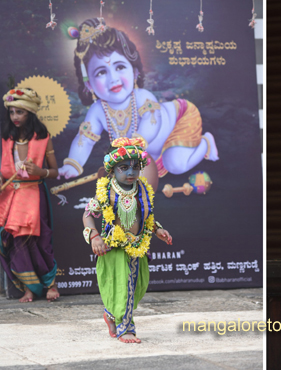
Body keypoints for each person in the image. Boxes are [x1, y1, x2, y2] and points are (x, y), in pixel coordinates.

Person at [59, 18, 218, 180]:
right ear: (89, 85)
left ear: (134, 71)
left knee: (175, 165)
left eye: (120, 67)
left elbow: (152, 122)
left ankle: (206, 143)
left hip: (180, 119)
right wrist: (72, 164)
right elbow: (84, 140)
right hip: (148, 150)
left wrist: (134, 145)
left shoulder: (141, 96)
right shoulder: (97, 111)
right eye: (101, 72)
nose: (113, 79)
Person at [83, 137, 172, 343]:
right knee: (123, 287)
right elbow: (87, 214)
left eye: (136, 167)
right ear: (112, 169)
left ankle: (111, 315)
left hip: (137, 246)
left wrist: (158, 230)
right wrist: (94, 236)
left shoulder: (142, 189)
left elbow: (145, 217)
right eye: (124, 167)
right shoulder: (106, 191)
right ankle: (127, 328)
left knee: (137, 286)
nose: (131, 173)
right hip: (112, 248)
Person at [0, 87, 60, 303]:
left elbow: (55, 171)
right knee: (15, 242)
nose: (15, 117)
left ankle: (50, 284)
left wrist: (40, 172)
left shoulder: (43, 138)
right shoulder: (7, 138)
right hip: (10, 197)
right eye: (12, 112)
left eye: (20, 112)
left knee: (40, 240)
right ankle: (29, 288)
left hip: (34, 194)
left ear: (30, 113)